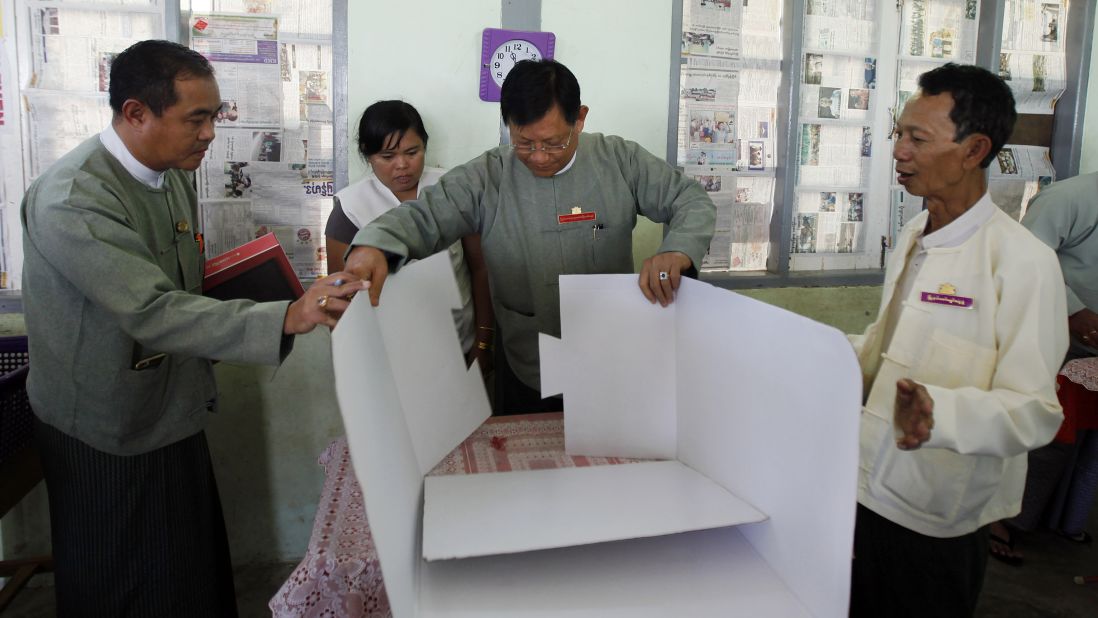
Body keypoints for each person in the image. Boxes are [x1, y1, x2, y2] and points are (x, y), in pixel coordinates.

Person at [20, 39, 364, 616]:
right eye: (196, 119)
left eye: (214, 116)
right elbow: (151, 309)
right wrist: (286, 313)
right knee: (117, 577)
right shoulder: (74, 200)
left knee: (186, 568)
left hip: (171, 403)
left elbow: (181, 279)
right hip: (106, 425)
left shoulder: (170, 170)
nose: (209, 134)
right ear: (136, 114)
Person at [342, 59, 715, 414]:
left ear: (580, 119)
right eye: (523, 143)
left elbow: (692, 200)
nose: (538, 156)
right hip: (526, 363)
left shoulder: (619, 160)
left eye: (553, 143)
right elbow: (424, 216)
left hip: (611, 357)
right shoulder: (486, 176)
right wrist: (374, 245)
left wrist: (678, 250)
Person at [847, 63, 1068, 617]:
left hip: (935, 519)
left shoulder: (1022, 262)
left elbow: (1036, 410)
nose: (899, 151)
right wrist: (818, 350)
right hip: (862, 488)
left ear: (974, 150)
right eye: (899, 133)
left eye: (917, 139)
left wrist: (938, 414)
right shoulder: (914, 235)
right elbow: (886, 343)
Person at [325, 101, 493, 370]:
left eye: (412, 152)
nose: (402, 165)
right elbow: (342, 301)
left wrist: (484, 342)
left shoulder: (453, 190)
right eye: (387, 156)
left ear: (425, 146)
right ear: (368, 156)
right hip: (389, 359)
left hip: (459, 348)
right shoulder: (351, 210)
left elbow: (481, 269)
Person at [988, 171, 1098, 563]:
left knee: (1086, 444)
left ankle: (1063, 520)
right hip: (1055, 333)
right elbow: (1026, 260)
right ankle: (1004, 521)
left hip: (1091, 345)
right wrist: (1075, 310)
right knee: (1047, 435)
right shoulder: (1070, 198)